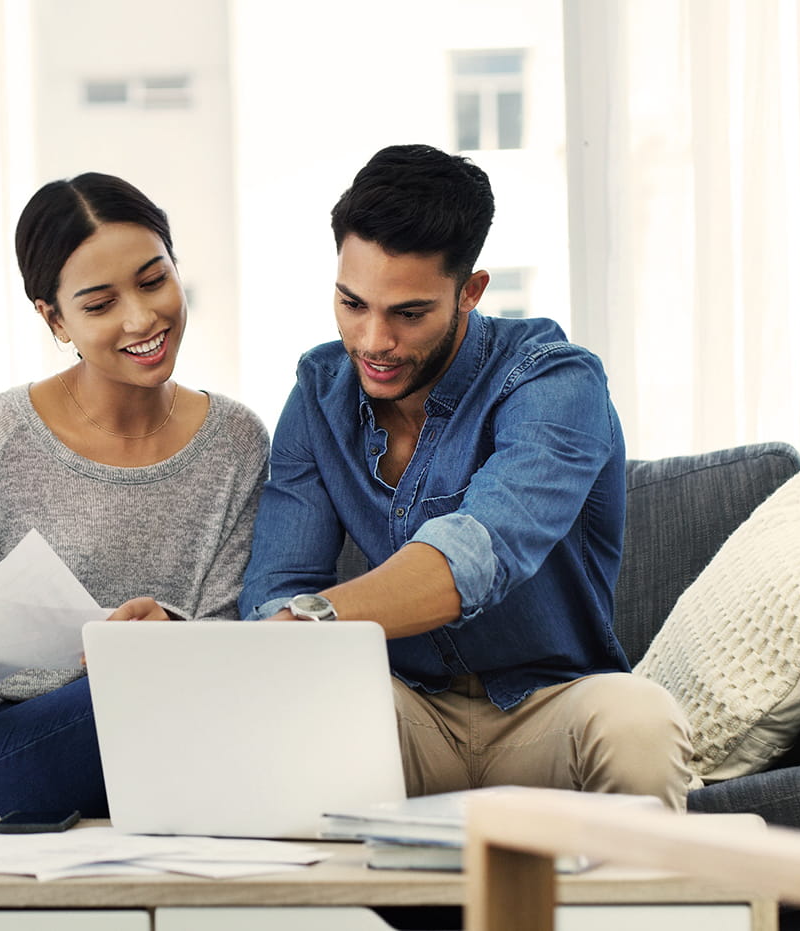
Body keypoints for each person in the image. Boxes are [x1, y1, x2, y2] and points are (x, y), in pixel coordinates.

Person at [240, 144, 694, 810]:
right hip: (401, 709)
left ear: (471, 292)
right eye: (352, 303)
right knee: (294, 711)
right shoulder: (318, 391)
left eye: (409, 313)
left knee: (641, 724)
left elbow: (475, 554)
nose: (371, 340)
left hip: (550, 706)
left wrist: (314, 620)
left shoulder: (556, 380)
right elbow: (277, 585)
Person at [0, 172, 270, 818]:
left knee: (197, 688)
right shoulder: (2, 434)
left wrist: (171, 633)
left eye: (153, 280)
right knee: (141, 692)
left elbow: (230, 639)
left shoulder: (236, 441)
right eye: (99, 304)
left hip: (157, 731)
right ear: (54, 318)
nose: (142, 318)